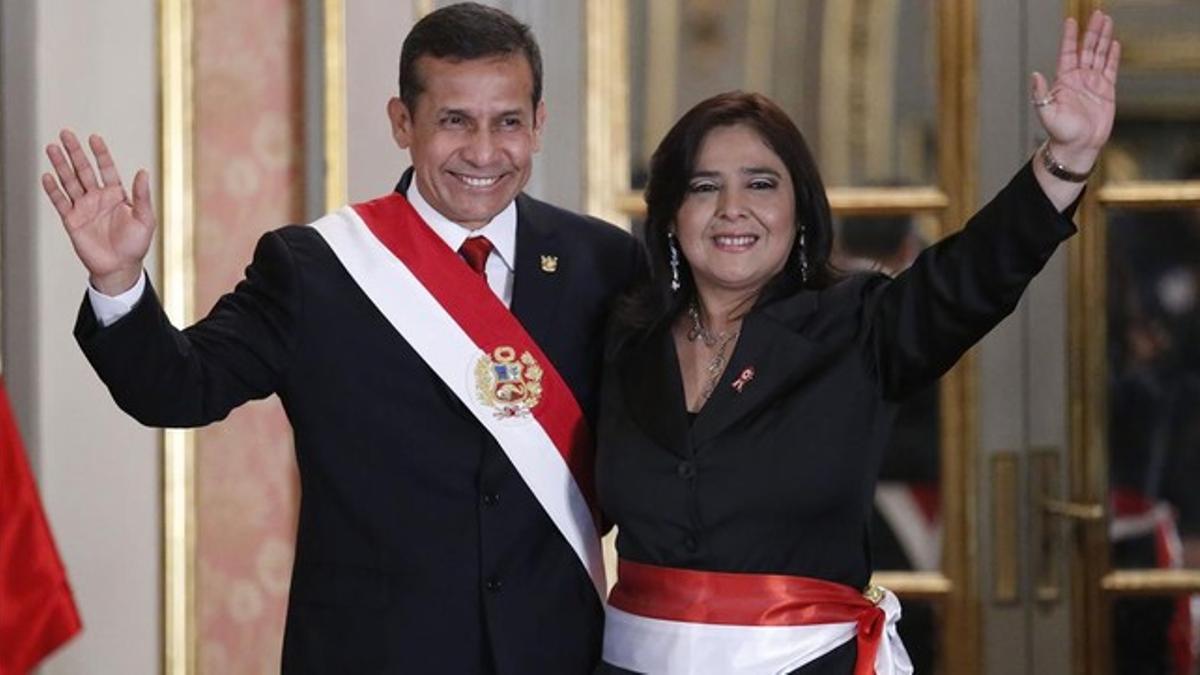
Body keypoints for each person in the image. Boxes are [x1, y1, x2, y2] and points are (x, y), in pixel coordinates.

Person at [42, 3, 641, 673]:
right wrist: (119, 279)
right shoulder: (317, 269)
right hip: (373, 653)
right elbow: (179, 387)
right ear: (402, 122)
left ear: (539, 124)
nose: (483, 150)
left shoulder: (603, 263)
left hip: (557, 652)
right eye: (453, 121)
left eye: (507, 122)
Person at [596, 10, 1119, 674]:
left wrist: (1066, 161)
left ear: (798, 208)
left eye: (761, 183)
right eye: (705, 187)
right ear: (672, 216)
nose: (734, 208)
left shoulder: (855, 327)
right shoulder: (622, 338)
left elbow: (972, 277)